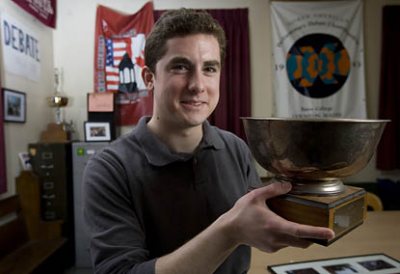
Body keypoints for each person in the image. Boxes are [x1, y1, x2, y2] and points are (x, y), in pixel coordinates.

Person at [83, 8, 335, 274]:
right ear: (149, 78)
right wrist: (229, 232)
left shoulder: (236, 148)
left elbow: (256, 224)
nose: (198, 85)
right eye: (180, 67)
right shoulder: (109, 170)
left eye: (210, 68)